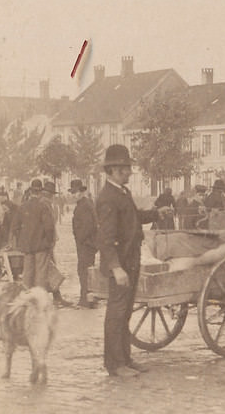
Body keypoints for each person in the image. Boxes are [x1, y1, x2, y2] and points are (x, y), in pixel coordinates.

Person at [96, 144, 171, 377]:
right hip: (120, 263)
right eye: (126, 168)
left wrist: (157, 214)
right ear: (115, 170)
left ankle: (125, 359)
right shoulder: (107, 198)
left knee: (125, 312)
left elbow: (133, 218)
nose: (130, 172)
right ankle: (114, 365)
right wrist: (116, 268)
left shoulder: (122, 192)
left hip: (131, 260)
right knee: (116, 313)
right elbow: (106, 239)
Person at [9, 179, 55, 291]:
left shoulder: (23, 207)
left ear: (30, 191)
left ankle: (27, 297)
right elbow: (49, 227)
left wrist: (22, 240)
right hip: (41, 246)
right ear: (40, 192)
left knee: (27, 273)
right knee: (41, 273)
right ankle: (39, 299)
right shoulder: (43, 206)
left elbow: (15, 227)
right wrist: (49, 242)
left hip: (27, 246)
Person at [70, 179, 98, 308]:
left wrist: (80, 239)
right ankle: (88, 297)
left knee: (84, 270)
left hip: (86, 244)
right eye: (73, 192)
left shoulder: (84, 205)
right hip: (87, 243)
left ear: (82, 192)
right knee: (86, 270)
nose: (74, 195)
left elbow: (88, 226)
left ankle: (87, 299)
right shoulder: (85, 204)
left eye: (76, 192)